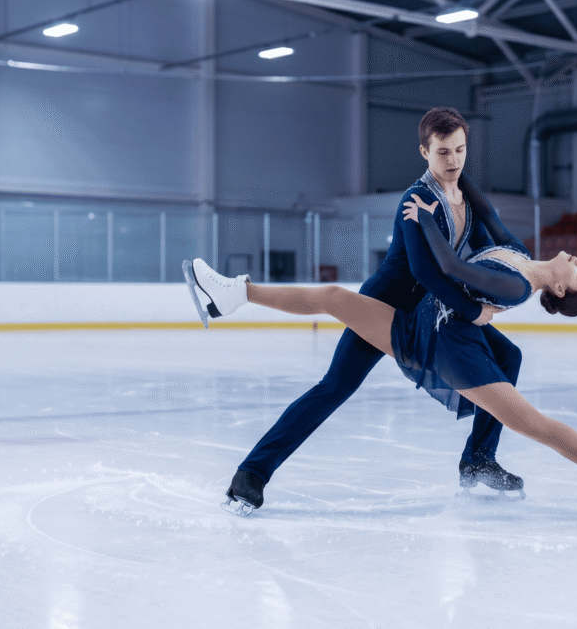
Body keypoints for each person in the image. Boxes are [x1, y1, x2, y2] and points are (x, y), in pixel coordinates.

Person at [184, 198, 577, 523]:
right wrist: (458, 158)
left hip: (433, 338)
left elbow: (453, 269)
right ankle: (478, 459)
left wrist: (420, 220)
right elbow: (482, 206)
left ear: (562, 288)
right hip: (424, 314)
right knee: (509, 353)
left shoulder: (518, 285)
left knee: (532, 422)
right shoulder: (519, 254)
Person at [189, 108, 532, 516]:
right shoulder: (417, 200)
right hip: (383, 305)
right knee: (334, 387)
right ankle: (251, 474)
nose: (454, 160)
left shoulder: (466, 194)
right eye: (443, 152)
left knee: (509, 355)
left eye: (460, 150)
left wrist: (527, 271)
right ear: (424, 152)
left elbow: (491, 239)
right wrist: (473, 310)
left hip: (431, 312)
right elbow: (426, 269)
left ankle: (478, 459)